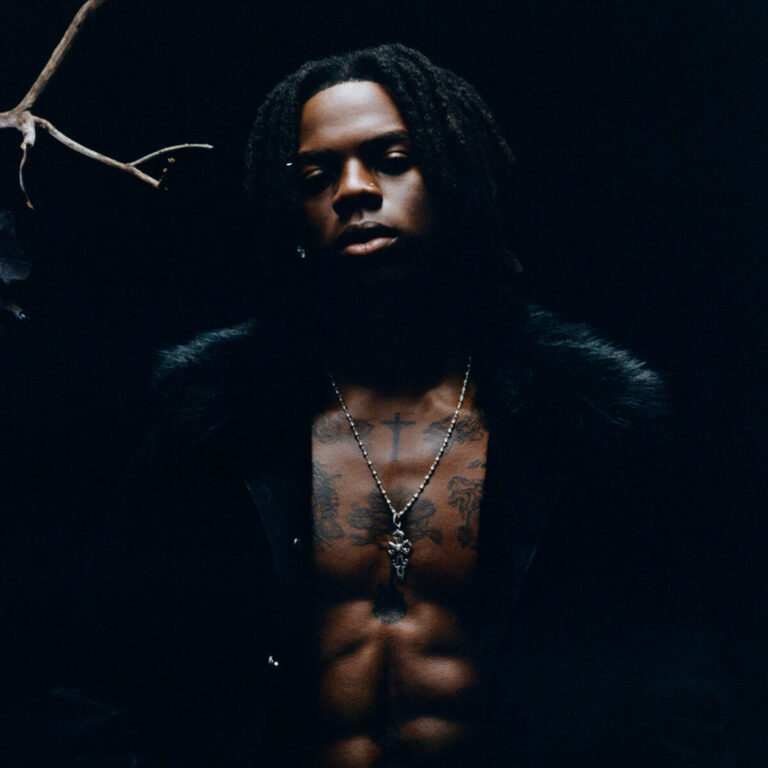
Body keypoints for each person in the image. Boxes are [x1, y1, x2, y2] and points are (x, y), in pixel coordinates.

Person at [68, 44, 732, 768]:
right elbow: (99, 678)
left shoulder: (582, 424)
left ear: (454, 176)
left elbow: (679, 689)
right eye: (316, 176)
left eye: (392, 159)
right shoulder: (214, 427)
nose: (352, 190)